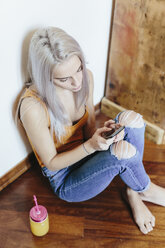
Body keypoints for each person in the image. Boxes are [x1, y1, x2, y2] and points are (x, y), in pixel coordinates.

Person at [16, 26, 165, 235]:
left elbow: (88, 129)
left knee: (132, 120)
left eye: (79, 69)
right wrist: (91, 146)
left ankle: (134, 190)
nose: (77, 82)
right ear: (45, 76)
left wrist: (104, 134)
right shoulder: (32, 108)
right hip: (66, 178)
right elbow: (51, 163)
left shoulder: (86, 77)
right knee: (122, 153)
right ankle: (146, 190)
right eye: (64, 79)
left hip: (89, 153)